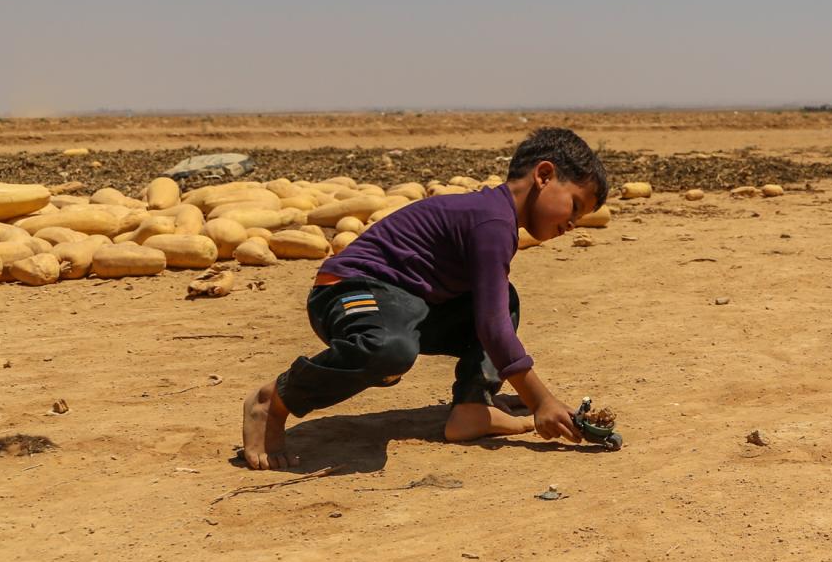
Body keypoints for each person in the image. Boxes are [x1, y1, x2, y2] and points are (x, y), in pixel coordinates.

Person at [239, 127, 607, 470]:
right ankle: (275, 400)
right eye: (574, 206)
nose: (573, 223)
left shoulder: (496, 220)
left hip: (410, 304)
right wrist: (541, 401)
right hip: (349, 289)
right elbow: (493, 329)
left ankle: (471, 406)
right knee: (390, 349)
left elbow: (491, 315)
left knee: (501, 299)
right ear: (543, 176)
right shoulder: (491, 222)